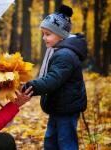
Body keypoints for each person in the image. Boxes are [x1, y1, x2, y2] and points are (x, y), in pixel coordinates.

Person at [23, 5, 87, 150]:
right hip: (58, 106)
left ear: (61, 35)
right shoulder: (59, 51)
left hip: (67, 109)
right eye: (43, 33)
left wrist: (30, 86)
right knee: (51, 140)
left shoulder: (65, 55)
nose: (43, 38)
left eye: (48, 34)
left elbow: (52, 80)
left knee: (66, 142)